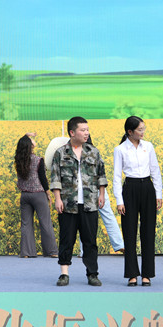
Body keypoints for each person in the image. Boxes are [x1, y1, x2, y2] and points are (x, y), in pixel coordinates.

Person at [50, 117, 108, 286]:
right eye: (83, 130)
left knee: (90, 241)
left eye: (87, 130)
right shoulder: (61, 153)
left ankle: (92, 273)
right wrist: (57, 199)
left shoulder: (93, 151)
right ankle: (64, 274)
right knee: (66, 239)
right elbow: (55, 177)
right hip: (68, 204)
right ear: (72, 132)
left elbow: (101, 175)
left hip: (90, 203)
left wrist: (102, 195)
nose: (86, 133)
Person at [46, 136, 125, 254]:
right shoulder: (93, 152)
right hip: (95, 189)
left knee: (82, 219)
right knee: (104, 216)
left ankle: (84, 251)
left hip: (82, 191)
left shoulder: (74, 152)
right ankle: (119, 244)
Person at [114, 116, 163, 287]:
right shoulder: (120, 149)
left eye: (144, 129)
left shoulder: (148, 146)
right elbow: (116, 176)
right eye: (139, 129)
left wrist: (158, 194)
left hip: (147, 188)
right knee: (129, 232)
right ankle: (132, 274)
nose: (143, 132)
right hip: (130, 189)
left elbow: (155, 170)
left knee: (148, 232)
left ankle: (147, 274)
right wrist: (119, 200)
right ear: (130, 131)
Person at [14, 134, 58, 258]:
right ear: (31, 146)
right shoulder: (38, 160)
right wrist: (48, 193)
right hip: (38, 194)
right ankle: (52, 251)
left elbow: (23, 141)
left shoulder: (18, 160)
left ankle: (26, 253)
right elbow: (43, 178)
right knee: (45, 223)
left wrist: (27, 135)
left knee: (26, 224)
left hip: (25, 195)